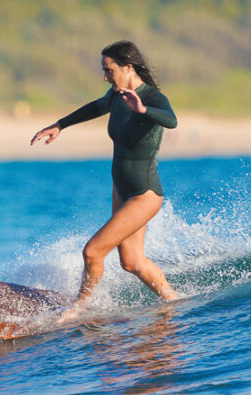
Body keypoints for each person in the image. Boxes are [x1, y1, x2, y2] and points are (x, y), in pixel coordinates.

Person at [30, 40, 179, 321]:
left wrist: (143, 110)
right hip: (121, 190)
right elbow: (94, 108)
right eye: (104, 71)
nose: (105, 77)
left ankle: (77, 309)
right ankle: (173, 300)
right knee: (132, 262)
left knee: (92, 251)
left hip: (143, 194)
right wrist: (60, 125)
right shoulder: (116, 96)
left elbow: (171, 121)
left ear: (128, 67)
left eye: (109, 70)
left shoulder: (152, 97)